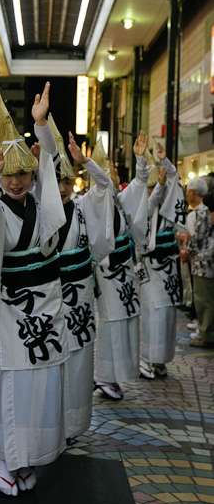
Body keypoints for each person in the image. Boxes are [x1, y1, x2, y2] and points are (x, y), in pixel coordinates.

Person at [0, 83, 67, 496]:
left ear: (32, 172)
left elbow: (53, 159)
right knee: (17, 384)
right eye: (8, 175)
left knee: (45, 382)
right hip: (15, 310)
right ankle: (4, 459)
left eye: (22, 173)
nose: (16, 182)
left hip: (49, 306)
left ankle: (29, 457)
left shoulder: (43, 200)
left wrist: (41, 123)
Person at [48, 117, 114, 429]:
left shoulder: (84, 207)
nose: (62, 188)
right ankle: (50, 423)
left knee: (78, 358)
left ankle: (73, 423)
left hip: (79, 298)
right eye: (56, 181)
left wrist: (85, 162)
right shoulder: (39, 209)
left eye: (66, 182)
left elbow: (106, 187)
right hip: (48, 298)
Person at [93, 134, 149, 397]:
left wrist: (140, 159)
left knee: (125, 319)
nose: (114, 174)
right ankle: (104, 375)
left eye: (113, 170)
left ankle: (112, 375)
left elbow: (140, 185)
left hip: (124, 271)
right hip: (107, 273)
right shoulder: (93, 205)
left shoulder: (119, 200)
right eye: (108, 171)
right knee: (111, 321)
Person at [138, 142, 185, 377]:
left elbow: (175, 182)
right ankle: (146, 359)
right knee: (151, 314)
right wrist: (157, 188)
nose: (153, 192)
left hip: (168, 270)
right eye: (149, 188)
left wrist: (165, 162)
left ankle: (161, 360)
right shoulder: (141, 208)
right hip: (149, 268)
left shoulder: (167, 209)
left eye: (156, 187)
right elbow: (148, 207)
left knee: (167, 314)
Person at [186, 189, 214, 347]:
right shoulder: (205, 210)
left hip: (203, 263)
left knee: (204, 300)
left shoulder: (203, 211)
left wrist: (188, 251)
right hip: (206, 263)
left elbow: (198, 238)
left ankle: (207, 335)